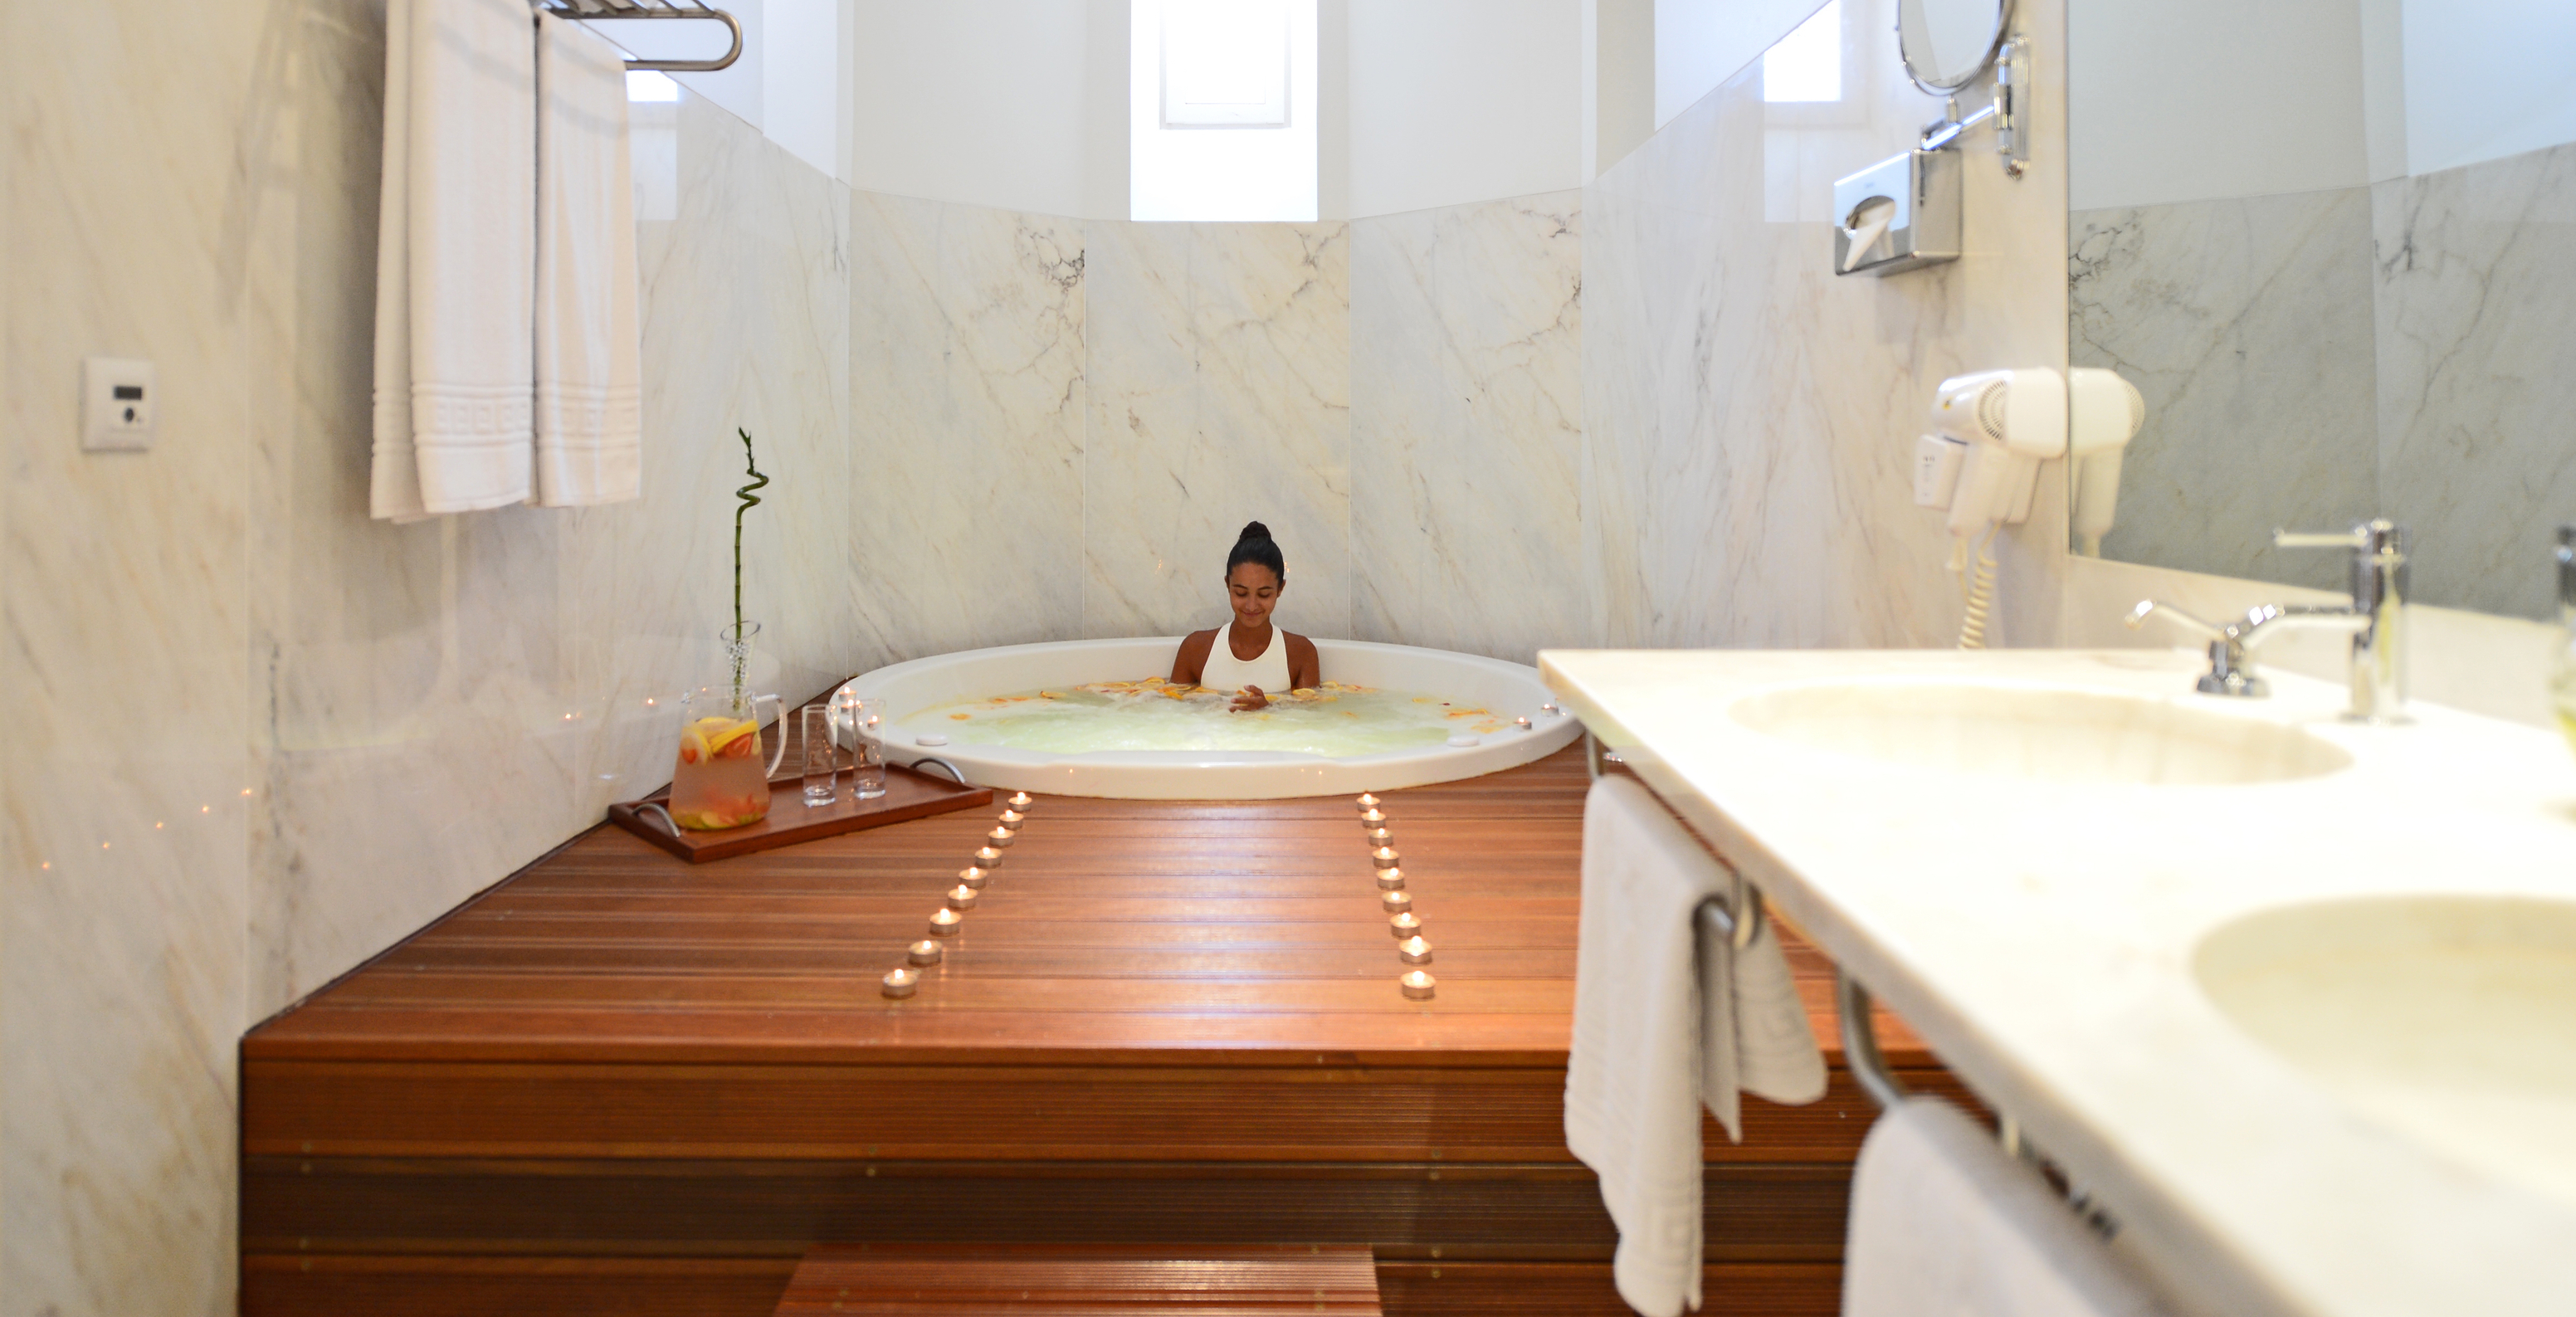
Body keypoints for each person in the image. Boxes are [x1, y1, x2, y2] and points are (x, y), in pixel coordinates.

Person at [1169, 521, 1320, 711]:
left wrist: (1270, 710)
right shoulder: (1195, 649)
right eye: (1241, 593)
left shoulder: (1301, 654)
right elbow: (1171, 717)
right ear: (1228, 585)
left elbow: (1313, 723)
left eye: (1264, 594)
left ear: (1280, 589)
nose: (1251, 605)